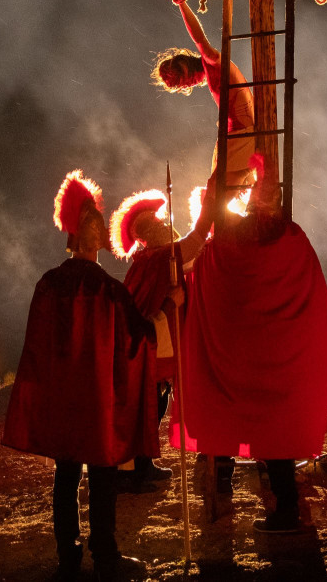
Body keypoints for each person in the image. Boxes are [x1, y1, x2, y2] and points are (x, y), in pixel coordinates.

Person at [2, 170, 181, 582]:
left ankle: (69, 558)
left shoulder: (48, 285)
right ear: (92, 234)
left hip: (63, 404)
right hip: (97, 404)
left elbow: (38, 352)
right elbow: (139, 339)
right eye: (97, 221)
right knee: (100, 473)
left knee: (65, 476)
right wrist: (169, 306)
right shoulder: (107, 291)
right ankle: (105, 557)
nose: (102, 227)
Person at [181, 155, 327, 533]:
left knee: (228, 410)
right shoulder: (290, 236)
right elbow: (309, 294)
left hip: (239, 355)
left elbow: (208, 274)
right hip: (275, 359)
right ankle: (281, 505)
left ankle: (226, 485)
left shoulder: (232, 240)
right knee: (273, 429)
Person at [109, 184, 217, 492]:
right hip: (150, 345)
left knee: (155, 403)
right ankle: (133, 471)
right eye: (156, 223)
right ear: (146, 234)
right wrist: (211, 201)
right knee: (148, 405)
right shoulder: (156, 258)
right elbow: (195, 242)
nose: (165, 223)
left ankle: (142, 464)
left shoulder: (156, 258)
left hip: (159, 344)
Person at [152, 0, 257, 188]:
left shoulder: (212, 61)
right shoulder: (212, 74)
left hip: (242, 137)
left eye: (184, 80)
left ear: (186, 65)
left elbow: (199, 39)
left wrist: (180, 1)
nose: (187, 85)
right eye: (182, 86)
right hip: (237, 137)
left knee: (214, 201)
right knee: (215, 200)